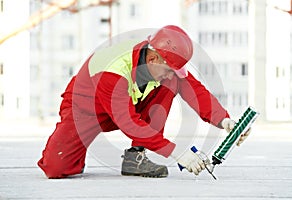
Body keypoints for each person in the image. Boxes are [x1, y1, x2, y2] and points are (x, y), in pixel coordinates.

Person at [37, 25, 250, 179]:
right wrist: (178, 153)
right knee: (56, 167)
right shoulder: (112, 70)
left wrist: (225, 121)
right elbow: (128, 122)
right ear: (152, 59)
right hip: (85, 111)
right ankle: (71, 156)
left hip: (128, 105)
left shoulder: (162, 63)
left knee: (174, 83)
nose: (169, 75)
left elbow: (194, 89)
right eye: (167, 70)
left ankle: (135, 158)